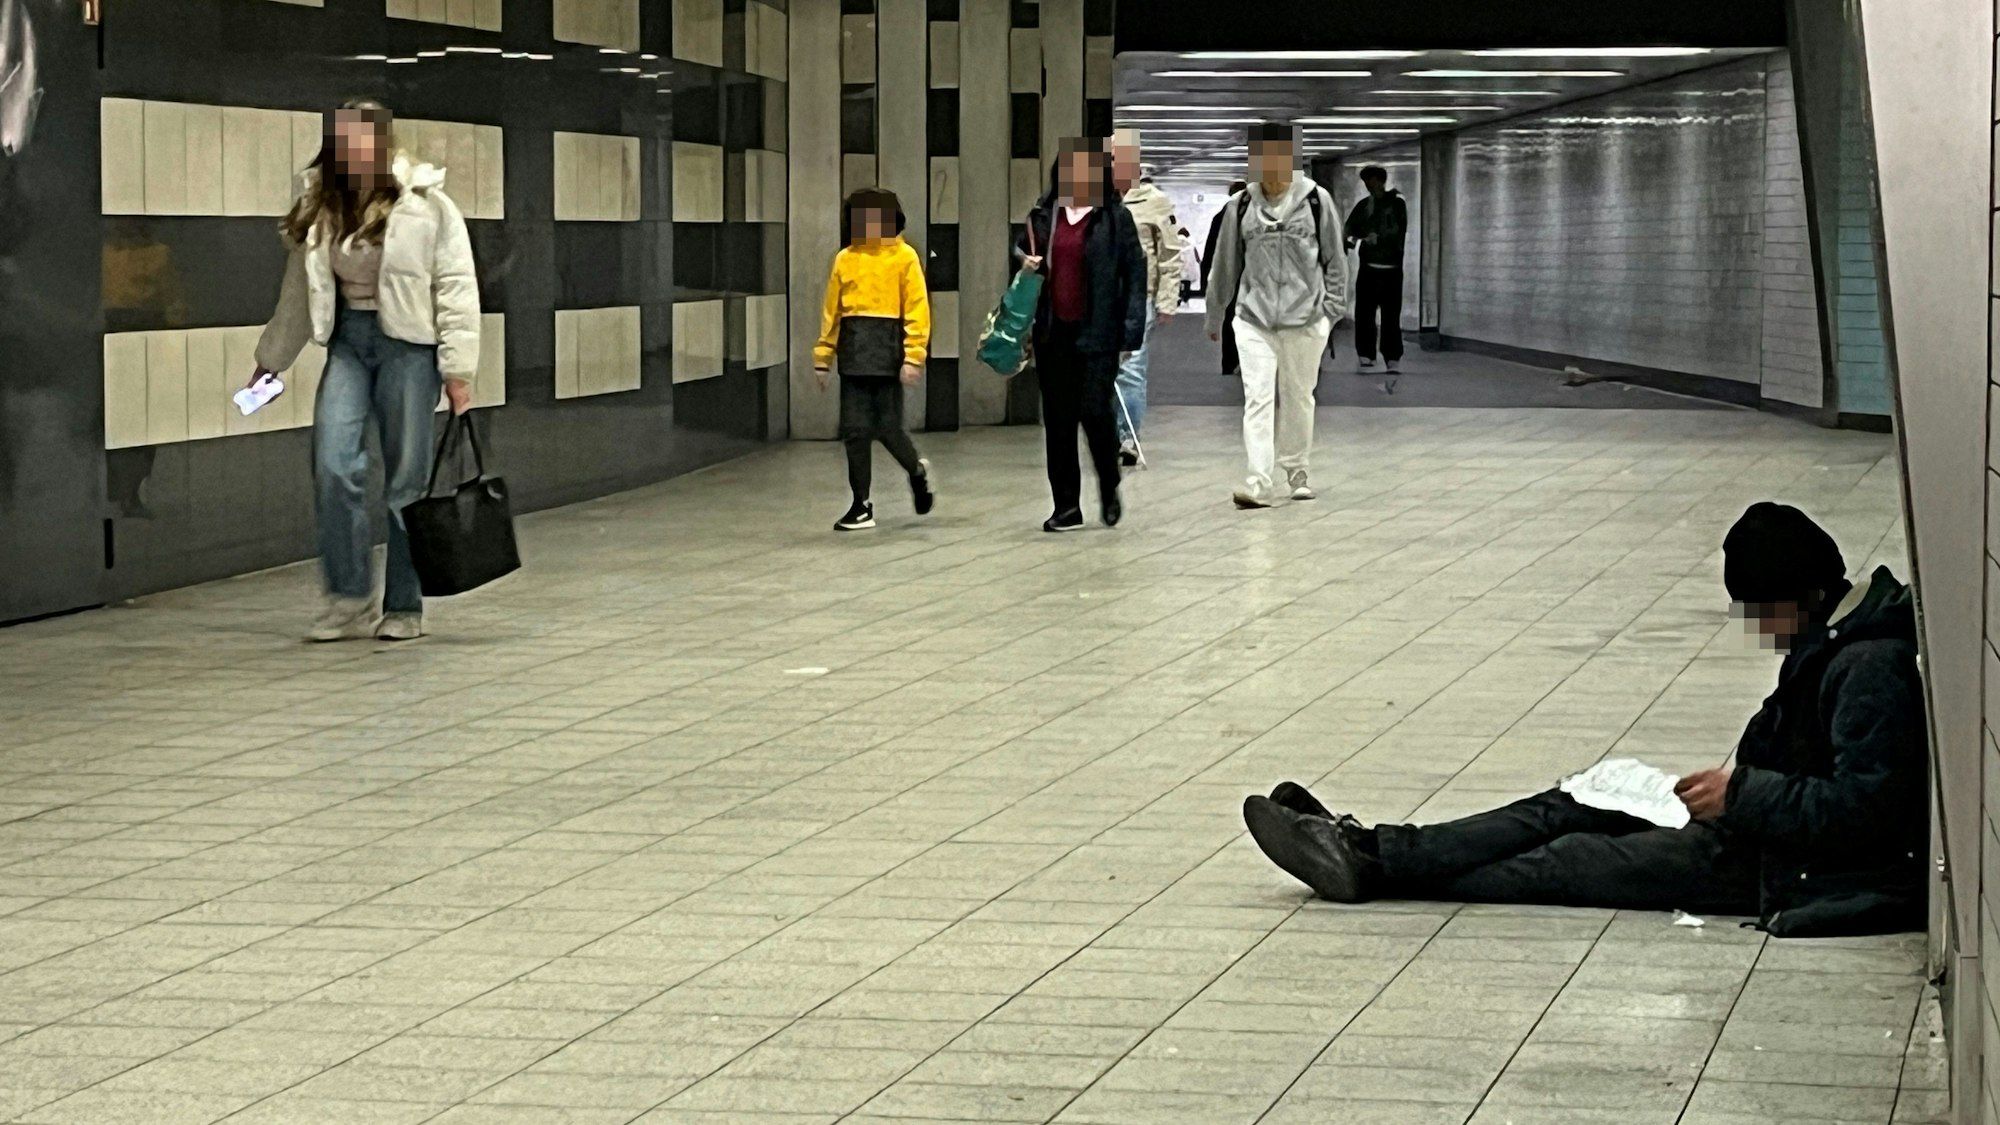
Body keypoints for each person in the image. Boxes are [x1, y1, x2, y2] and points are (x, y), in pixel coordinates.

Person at [1243, 502, 1928, 938]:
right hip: (1748, 826)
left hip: (1772, 864)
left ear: (1805, 596)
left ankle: (1372, 869)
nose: (1757, 629)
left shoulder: (1868, 668)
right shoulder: (1829, 642)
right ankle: (1375, 849)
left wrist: (1742, 794)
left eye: (1761, 611)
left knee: (1565, 860)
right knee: (1568, 802)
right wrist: (1731, 792)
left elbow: (1865, 807)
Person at [252, 98, 479, 643]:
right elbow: (297, 295)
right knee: (333, 463)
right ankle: (348, 598)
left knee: (406, 479)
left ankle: (405, 604)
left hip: (409, 348)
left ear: (382, 144)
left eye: (362, 139)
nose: (351, 150)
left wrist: (458, 370)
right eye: (343, 139)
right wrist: (270, 364)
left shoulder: (426, 205)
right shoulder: (320, 207)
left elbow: (454, 285)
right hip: (348, 344)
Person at [1204, 125, 1348, 510]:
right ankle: (1258, 480)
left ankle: (1297, 470)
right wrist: (1215, 313)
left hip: (1306, 317)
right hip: (1254, 317)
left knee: (1299, 397)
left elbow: (1335, 259)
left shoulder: (1317, 200)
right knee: (1257, 398)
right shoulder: (1240, 206)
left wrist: (1331, 312)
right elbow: (1225, 262)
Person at [1014, 138, 1148, 533]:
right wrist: (1026, 262)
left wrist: (1130, 331)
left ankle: (1109, 484)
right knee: (1058, 421)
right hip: (1053, 332)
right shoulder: (1044, 215)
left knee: (1095, 412)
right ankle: (1066, 506)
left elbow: (1134, 274)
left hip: (1099, 333)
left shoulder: (1114, 218)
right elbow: (1021, 253)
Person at [813, 187, 935, 532]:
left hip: (889, 356)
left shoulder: (905, 257)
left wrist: (913, 357)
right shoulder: (845, 259)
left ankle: (916, 470)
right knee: (854, 431)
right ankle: (860, 504)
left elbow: (916, 310)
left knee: (889, 428)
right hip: (853, 357)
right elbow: (831, 312)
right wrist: (823, 356)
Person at [1109, 129, 1183, 469]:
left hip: (1141, 297)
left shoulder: (1154, 202)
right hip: (1102, 299)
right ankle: (1108, 435)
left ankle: (1128, 438)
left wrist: (1167, 301)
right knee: (1103, 371)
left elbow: (1170, 254)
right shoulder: (1095, 199)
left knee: (1132, 370)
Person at [1343, 165, 1407, 375]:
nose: (1370, 186)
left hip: (1391, 269)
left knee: (1389, 315)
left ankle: (1391, 356)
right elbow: (1349, 231)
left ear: (1381, 181)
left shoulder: (1396, 204)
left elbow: (1397, 231)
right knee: (1365, 313)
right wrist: (1357, 240)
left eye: (1372, 181)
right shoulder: (1364, 206)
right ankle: (1367, 353)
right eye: (1367, 183)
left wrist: (1376, 237)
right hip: (1370, 268)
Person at [1202, 180, 1249, 375]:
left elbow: (1212, 251)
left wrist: (1206, 280)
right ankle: (1244, 361)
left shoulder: (1221, 217)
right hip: (1250, 275)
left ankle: (1229, 363)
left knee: (1231, 318)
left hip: (1233, 276)